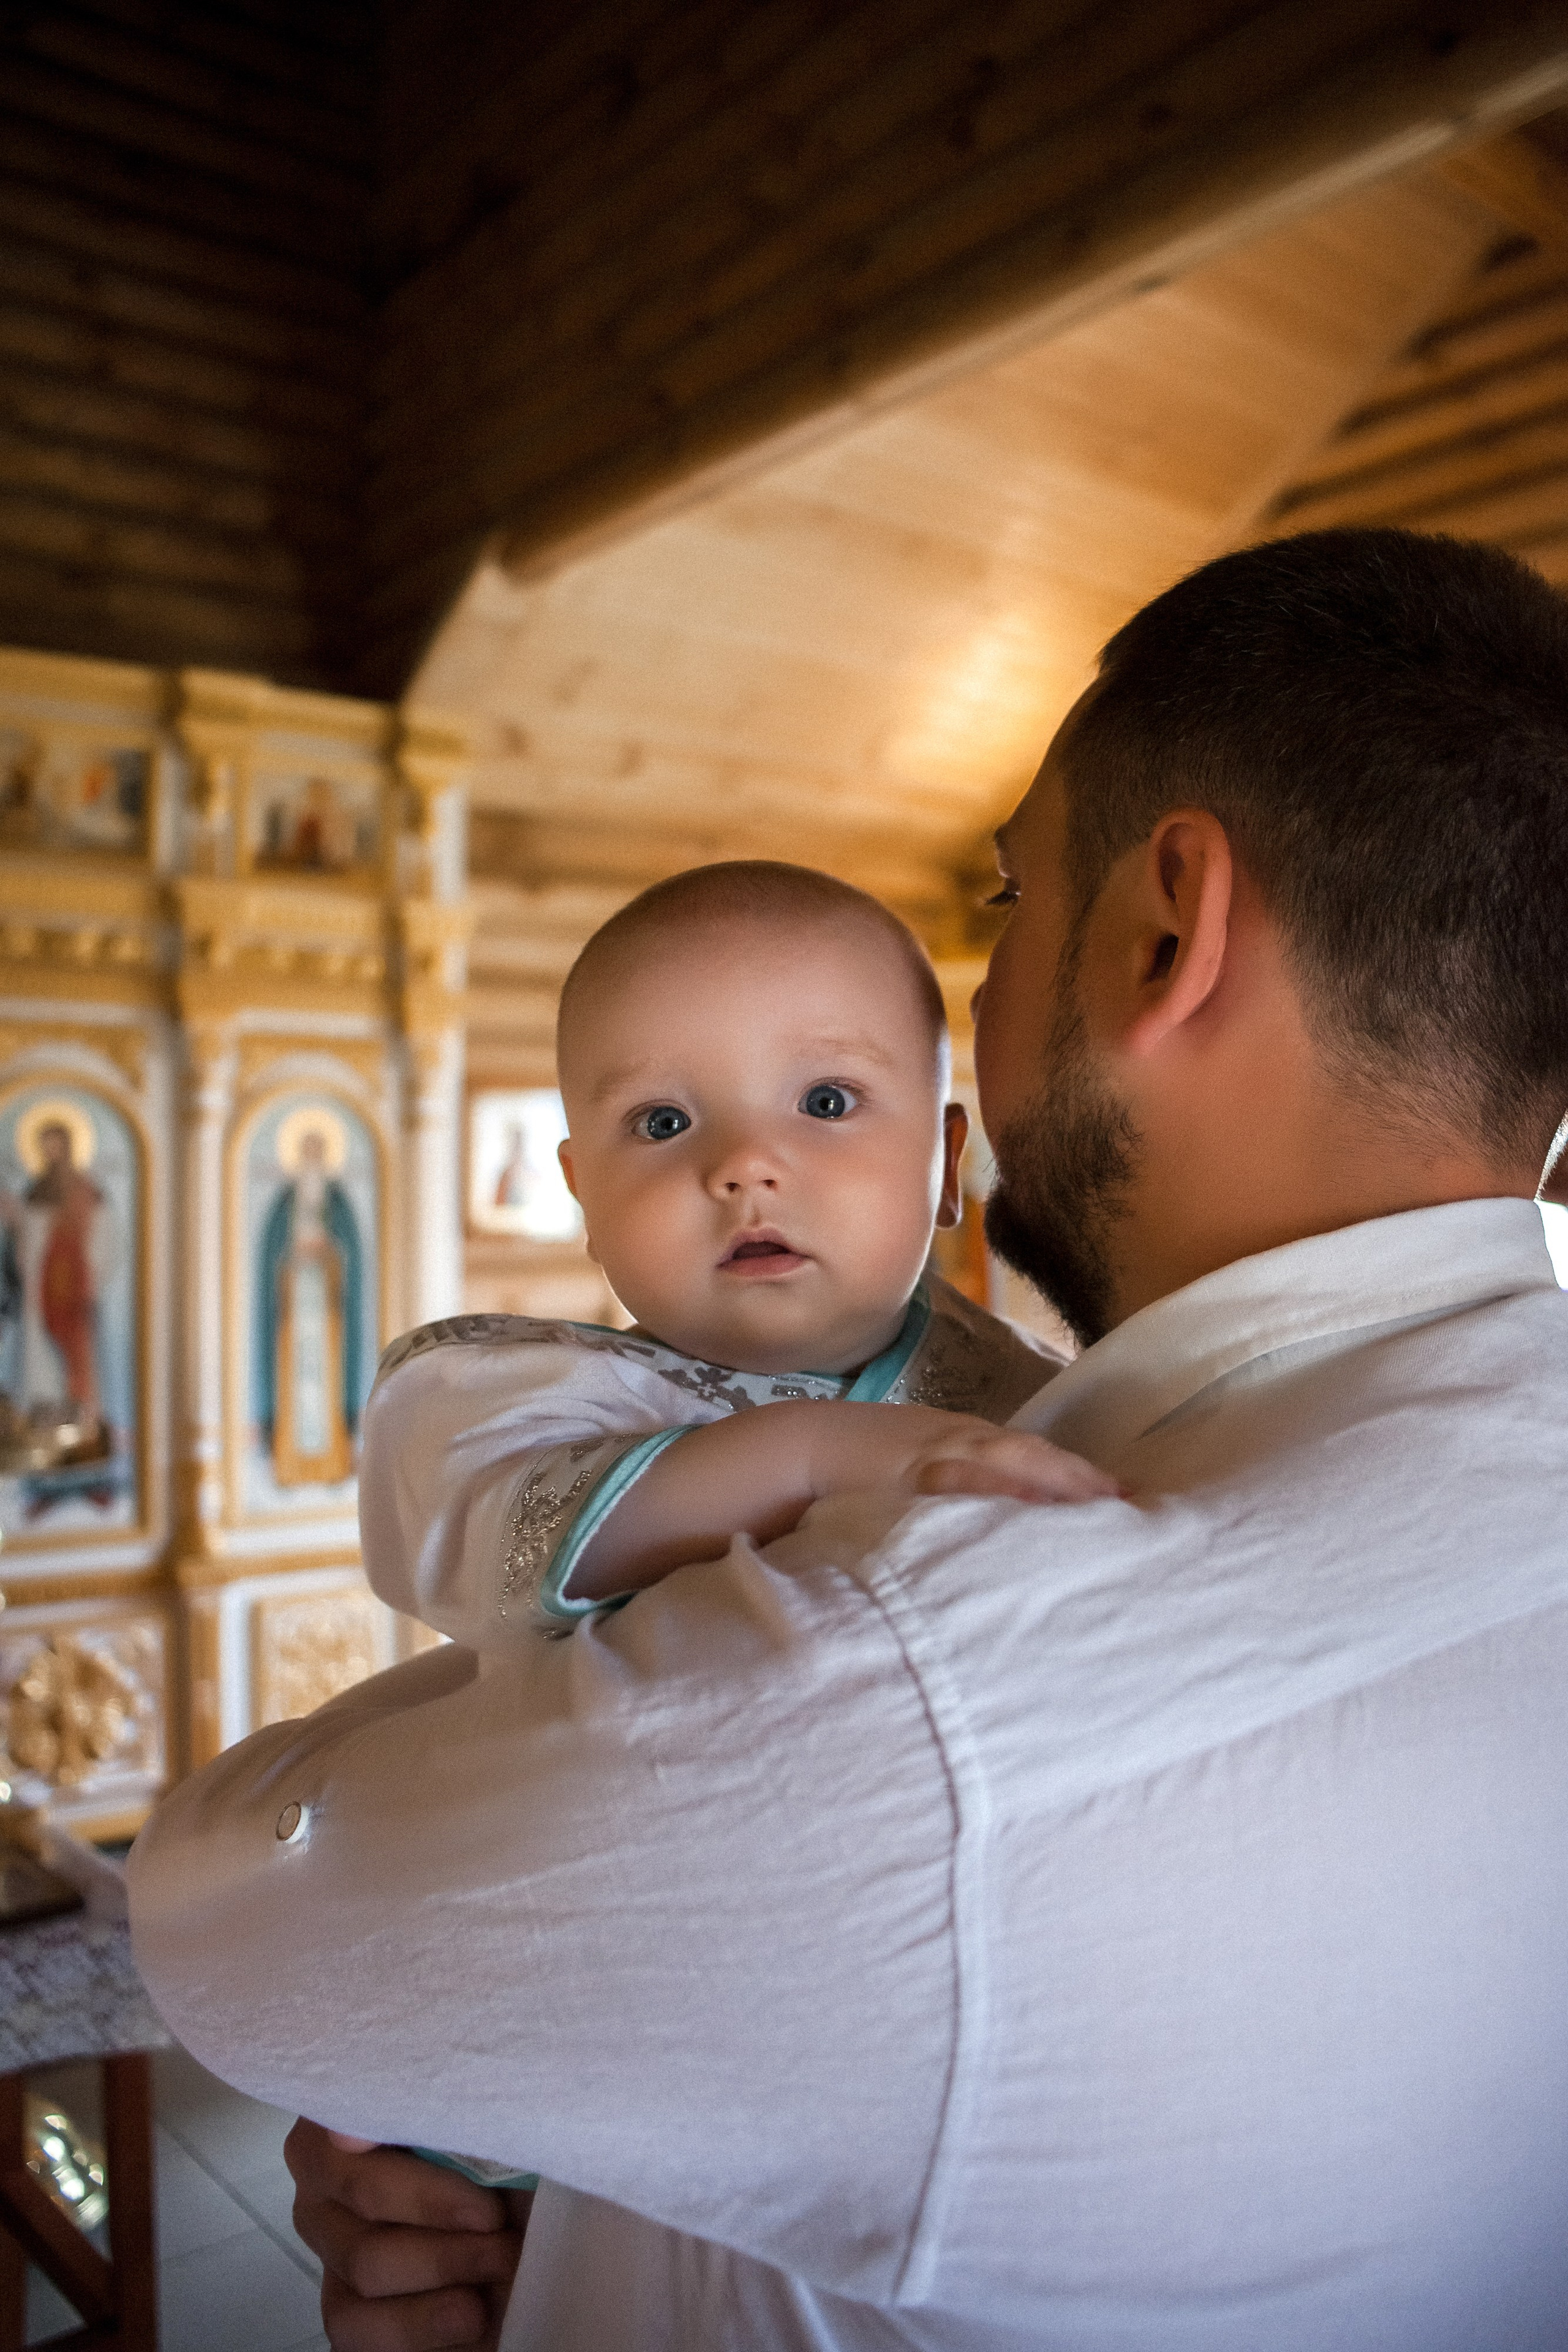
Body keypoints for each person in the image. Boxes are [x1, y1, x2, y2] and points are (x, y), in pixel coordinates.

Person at [132, 529, 1568, 2351]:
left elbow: (224, 1919)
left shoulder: (939, 1679)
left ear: (1165, 932)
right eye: (665, 1120)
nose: (754, 1159)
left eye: (1005, 903)